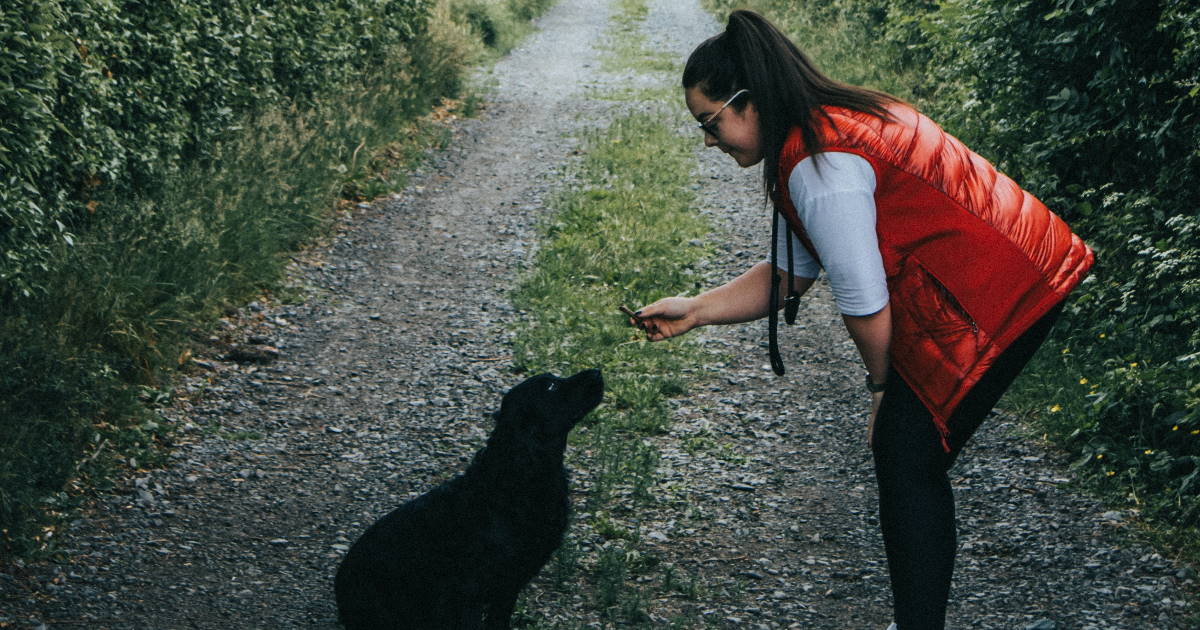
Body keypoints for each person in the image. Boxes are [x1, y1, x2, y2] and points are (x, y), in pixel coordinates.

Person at [628, 9, 1094, 630]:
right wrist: (697, 310)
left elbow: (863, 298)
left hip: (1009, 288)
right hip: (1021, 267)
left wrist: (883, 388)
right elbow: (794, 271)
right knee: (907, 453)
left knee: (906, 454)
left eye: (710, 124)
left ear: (750, 100)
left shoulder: (821, 164)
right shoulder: (824, 128)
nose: (708, 142)